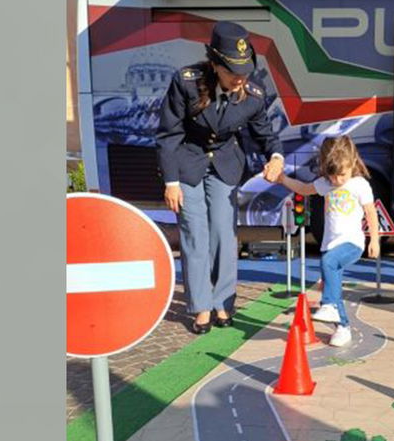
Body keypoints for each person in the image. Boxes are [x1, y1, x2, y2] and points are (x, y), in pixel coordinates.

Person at [156, 21, 285, 334]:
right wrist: (170, 181)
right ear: (214, 65)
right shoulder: (186, 83)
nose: (240, 78)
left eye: (245, 70)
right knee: (195, 234)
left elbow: (264, 133)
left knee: (224, 236)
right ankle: (201, 307)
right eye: (232, 71)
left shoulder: (253, 94)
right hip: (188, 161)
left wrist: (276, 157)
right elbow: (168, 133)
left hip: (225, 163)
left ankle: (223, 303)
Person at [266, 135, 380, 347]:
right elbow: (302, 188)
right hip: (330, 244)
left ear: (352, 163)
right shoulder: (325, 183)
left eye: (342, 175)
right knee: (332, 282)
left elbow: (371, 213)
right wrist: (282, 179)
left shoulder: (359, 184)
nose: (337, 181)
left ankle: (328, 305)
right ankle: (343, 327)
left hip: (352, 243)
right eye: (333, 176)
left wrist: (374, 239)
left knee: (327, 266)